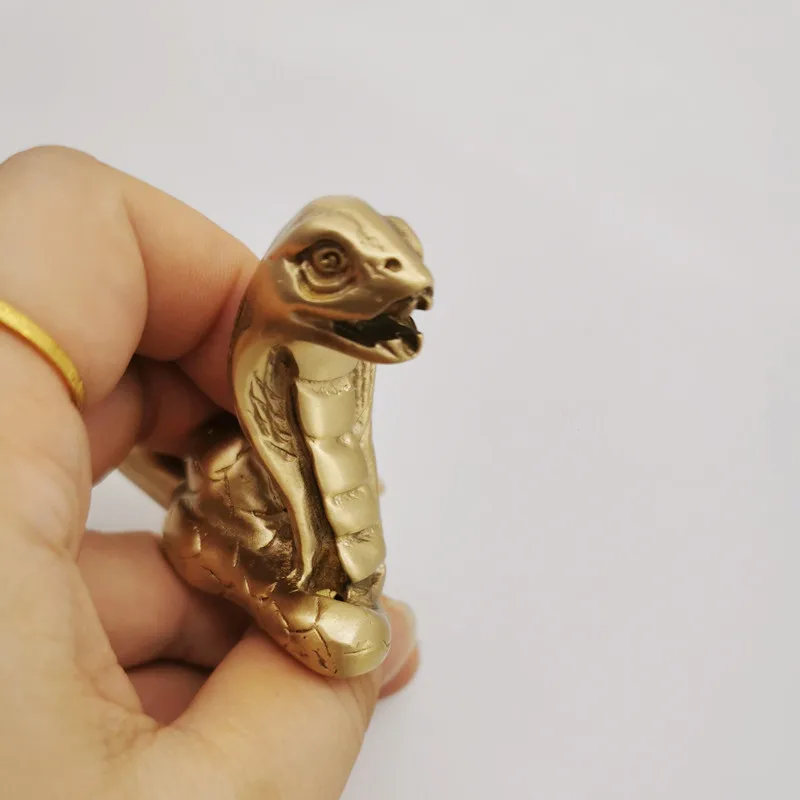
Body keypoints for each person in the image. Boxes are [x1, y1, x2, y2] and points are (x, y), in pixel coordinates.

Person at [0, 146, 419, 799]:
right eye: (331, 264)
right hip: (225, 514)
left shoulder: (344, 370)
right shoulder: (258, 392)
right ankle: (216, 544)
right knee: (355, 636)